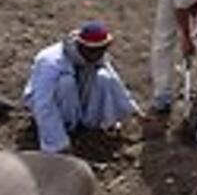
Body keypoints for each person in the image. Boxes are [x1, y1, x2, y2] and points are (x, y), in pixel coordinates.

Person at [23, 21, 141, 154]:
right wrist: (59, 143)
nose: (98, 56)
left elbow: (115, 83)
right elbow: (43, 103)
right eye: (94, 52)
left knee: (104, 77)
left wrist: (136, 114)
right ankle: (65, 130)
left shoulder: (96, 56)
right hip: (53, 103)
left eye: (102, 51)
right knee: (65, 83)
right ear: (81, 47)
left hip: (78, 99)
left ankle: (91, 127)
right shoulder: (49, 61)